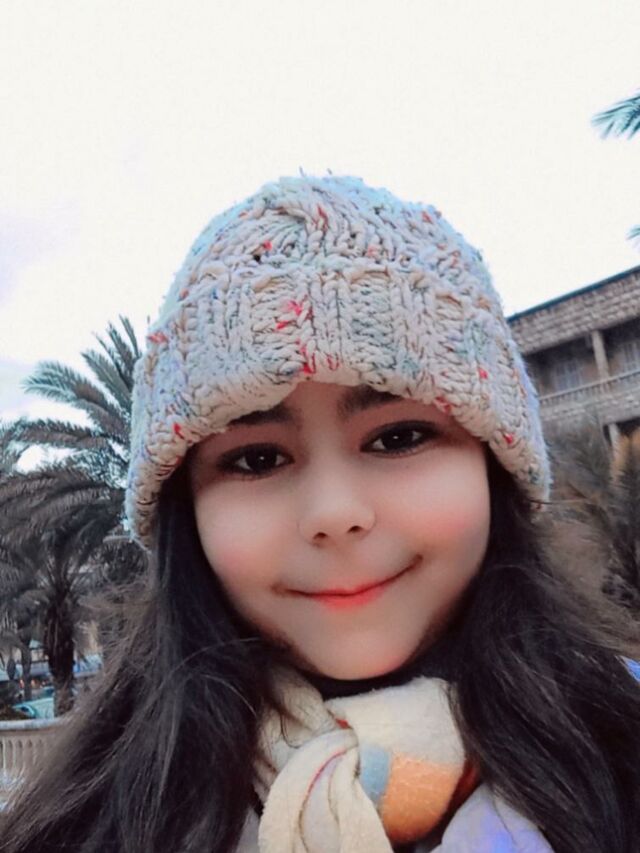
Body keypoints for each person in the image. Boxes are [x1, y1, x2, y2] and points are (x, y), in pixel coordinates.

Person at [2, 174, 639, 853]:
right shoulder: (82, 829)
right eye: (256, 459)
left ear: (495, 465)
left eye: (398, 437)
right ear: (187, 513)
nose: (334, 514)